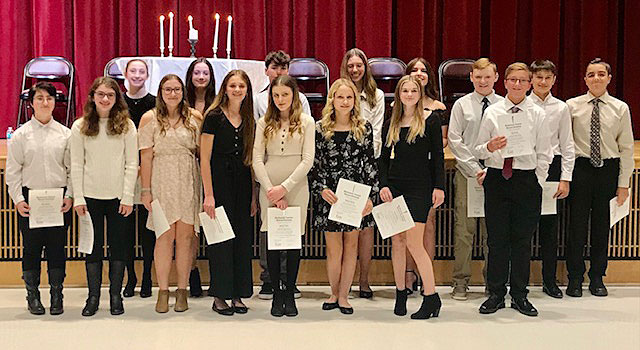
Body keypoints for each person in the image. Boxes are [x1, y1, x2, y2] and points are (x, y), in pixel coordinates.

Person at [474, 62, 552, 317]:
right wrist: (490, 147)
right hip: (498, 179)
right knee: (496, 241)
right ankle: (495, 293)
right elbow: (478, 148)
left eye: (522, 80)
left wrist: (536, 181)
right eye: (512, 80)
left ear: (529, 84)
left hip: (526, 181)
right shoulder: (493, 112)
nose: (517, 84)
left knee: (521, 241)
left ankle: (519, 294)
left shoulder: (538, 115)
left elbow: (545, 153)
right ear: (504, 82)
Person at [565, 58, 634, 298]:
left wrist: (623, 183)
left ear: (609, 78)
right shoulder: (572, 106)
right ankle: (574, 278)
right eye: (591, 74)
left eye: (601, 74)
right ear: (584, 79)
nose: (596, 78)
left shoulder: (620, 108)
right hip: (580, 168)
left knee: (602, 227)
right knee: (576, 226)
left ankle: (597, 277)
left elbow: (626, 147)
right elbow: (565, 143)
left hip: (608, 169)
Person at [70, 77, 138, 317]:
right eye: (101, 94)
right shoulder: (80, 126)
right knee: (93, 249)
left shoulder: (127, 126)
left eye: (110, 95)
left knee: (119, 248)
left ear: (117, 98)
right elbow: (76, 164)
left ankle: (115, 296)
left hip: (119, 197)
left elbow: (132, 163)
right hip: (90, 198)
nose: (105, 99)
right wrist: (78, 197)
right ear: (93, 97)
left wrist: (128, 196)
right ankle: (93, 297)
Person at [379, 75, 445, 319]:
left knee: (414, 244)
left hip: (420, 189)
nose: (409, 94)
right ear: (399, 94)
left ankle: (431, 297)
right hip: (395, 187)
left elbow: (438, 157)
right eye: (404, 90)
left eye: (413, 90)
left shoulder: (431, 120)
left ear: (420, 94)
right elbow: (383, 160)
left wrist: (439, 187)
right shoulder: (392, 122)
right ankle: (400, 292)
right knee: (397, 241)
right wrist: (383, 185)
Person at [311, 78, 377, 314]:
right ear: (332, 99)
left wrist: (371, 197)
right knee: (333, 249)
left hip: (355, 196)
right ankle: (333, 292)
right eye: (340, 97)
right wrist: (321, 188)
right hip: (330, 196)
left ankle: (344, 296)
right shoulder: (320, 128)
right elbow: (314, 165)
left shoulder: (364, 127)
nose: (345, 101)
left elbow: (370, 163)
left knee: (352, 247)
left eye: (349, 97)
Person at [6, 82, 73, 315]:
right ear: (31, 103)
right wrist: (17, 199)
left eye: (49, 99)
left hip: (58, 199)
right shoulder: (21, 135)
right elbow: (13, 172)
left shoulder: (66, 134)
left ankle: (57, 295)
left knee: (57, 249)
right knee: (31, 249)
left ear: (55, 103)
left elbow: (72, 169)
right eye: (40, 98)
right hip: (30, 200)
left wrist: (70, 195)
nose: (45, 103)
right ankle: (32, 295)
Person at [138, 74, 202, 313]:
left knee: (185, 238)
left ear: (183, 92)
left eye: (177, 89)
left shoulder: (195, 118)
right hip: (161, 180)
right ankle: (163, 291)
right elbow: (145, 156)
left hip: (187, 179)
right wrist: (146, 190)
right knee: (164, 237)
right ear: (160, 92)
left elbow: (200, 153)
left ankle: (182, 290)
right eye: (168, 89)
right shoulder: (149, 119)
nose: (172, 94)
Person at [253, 75, 315, 317]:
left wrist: (285, 188)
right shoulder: (263, 123)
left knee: (291, 242)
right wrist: (270, 189)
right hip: (269, 188)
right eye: (276, 95)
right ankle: (276, 296)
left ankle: (289, 293)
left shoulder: (307, 122)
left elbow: (308, 160)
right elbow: (257, 158)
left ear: (294, 95)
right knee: (273, 242)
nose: (280, 100)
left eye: (285, 95)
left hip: (297, 188)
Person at [447, 58, 503, 300]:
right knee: (464, 231)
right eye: (478, 77)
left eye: (487, 77)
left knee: (494, 231)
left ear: (496, 78)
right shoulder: (462, 105)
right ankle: (460, 282)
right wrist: (474, 168)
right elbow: (454, 140)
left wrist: (490, 168)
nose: (482, 81)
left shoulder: (504, 105)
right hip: (467, 174)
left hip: (496, 174)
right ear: (471, 77)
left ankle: (493, 281)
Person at [201, 70, 257, 316]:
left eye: (241, 86)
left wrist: (254, 196)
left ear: (247, 90)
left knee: (242, 240)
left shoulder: (248, 118)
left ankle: (238, 294)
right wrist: (209, 194)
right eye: (232, 85)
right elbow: (204, 159)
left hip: (243, 184)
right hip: (219, 183)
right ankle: (219, 295)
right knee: (221, 240)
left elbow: (250, 160)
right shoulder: (213, 117)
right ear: (225, 88)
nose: (237, 90)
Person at [528, 59, 575, 298]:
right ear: (531, 79)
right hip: (527, 166)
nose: (543, 82)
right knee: (523, 227)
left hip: (553, 168)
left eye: (547, 78)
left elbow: (567, 145)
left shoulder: (561, 107)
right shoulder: (523, 104)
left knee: (549, 229)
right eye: (538, 78)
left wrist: (565, 178)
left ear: (554, 80)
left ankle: (549, 280)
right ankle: (518, 281)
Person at [340, 48, 384, 298]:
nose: (355, 70)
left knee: (366, 226)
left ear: (365, 67)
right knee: (345, 224)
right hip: (342, 165)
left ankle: (364, 280)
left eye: (359, 65)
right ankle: (342, 282)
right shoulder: (338, 92)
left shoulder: (375, 96)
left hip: (368, 164)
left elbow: (376, 133)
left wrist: (364, 157)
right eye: (351, 66)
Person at [403, 57, 448, 293]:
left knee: (427, 226)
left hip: (426, 175)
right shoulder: (398, 109)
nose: (419, 74)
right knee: (406, 231)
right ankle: (408, 274)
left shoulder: (437, 108)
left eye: (423, 70)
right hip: (404, 176)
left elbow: (442, 142)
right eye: (414, 70)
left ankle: (425, 276)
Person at [122, 59, 156, 299]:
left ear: (147, 74)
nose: (137, 75)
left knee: (147, 228)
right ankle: (129, 275)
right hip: (123, 172)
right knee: (124, 228)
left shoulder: (154, 103)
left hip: (147, 172)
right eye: (132, 71)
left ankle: (146, 276)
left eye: (141, 71)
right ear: (126, 74)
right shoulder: (117, 102)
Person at [184, 57, 217, 298]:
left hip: (213, 167)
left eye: (205, 73)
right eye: (197, 73)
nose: (201, 77)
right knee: (191, 226)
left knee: (214, 223)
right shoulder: (181, 102)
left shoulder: (218, 102)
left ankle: (217, 276)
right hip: (187, 169)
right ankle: (192, 273)